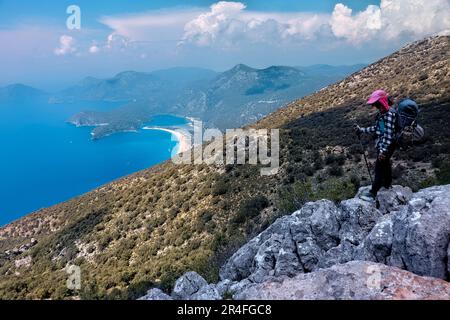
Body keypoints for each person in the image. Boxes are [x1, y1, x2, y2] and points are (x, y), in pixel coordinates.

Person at [356, 89, 397, 201]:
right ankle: (387, 184)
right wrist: (362, 130)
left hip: (387, 145)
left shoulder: (389, 114)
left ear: (382, 101)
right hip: (385, 144)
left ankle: (373, 193)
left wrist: (383, 151)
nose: (375, 105)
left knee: (379, 168)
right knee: (386, 164)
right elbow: (377, 128)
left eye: (376, 103)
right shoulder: (382, 113)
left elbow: (388, 135)